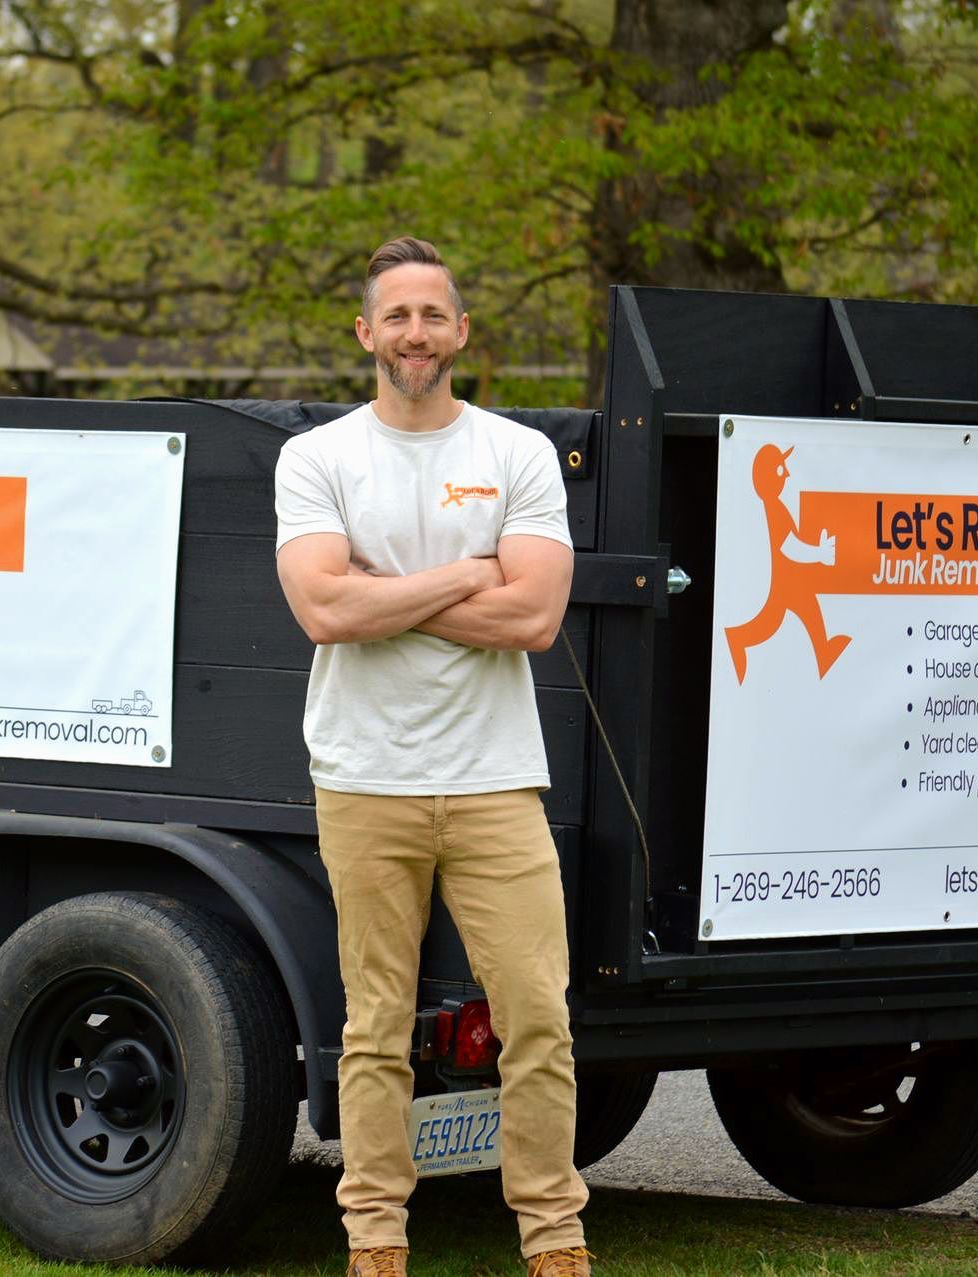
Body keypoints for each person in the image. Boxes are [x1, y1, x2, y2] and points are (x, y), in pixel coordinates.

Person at [272, 237, 590, 1277]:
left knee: (538, 1015)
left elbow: (536, 616)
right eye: (395, 315)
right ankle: (376, 1241)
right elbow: (322, 606)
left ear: (462, 332)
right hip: (365, 778)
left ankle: (555, 1239)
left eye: (432, 314)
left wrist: (388, 592)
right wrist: (466, 572)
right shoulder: (319, 458)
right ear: (366, 333)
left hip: (497, 780)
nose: (415, 332)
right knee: (374, 1026)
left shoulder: (516, 453)